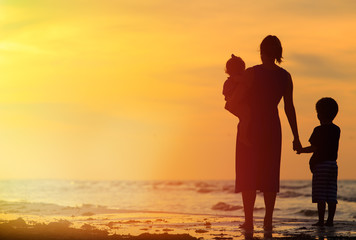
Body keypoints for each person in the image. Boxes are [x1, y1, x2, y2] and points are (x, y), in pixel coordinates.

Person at [233, 35, 301, 231]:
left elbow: (236, 100)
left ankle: (249, 221)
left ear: (261, 51)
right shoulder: (285, 76)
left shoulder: (251, 73)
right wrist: (296, 137)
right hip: (272, 127)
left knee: (248, 174)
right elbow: (289, 108)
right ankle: (268, 220)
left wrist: (243, 114)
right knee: (269, 174)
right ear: (279, 53)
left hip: (252, 126)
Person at [297, 97, 340, 227]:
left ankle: (321, 221)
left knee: (320, 194)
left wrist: (301, 150)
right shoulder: (337, 129)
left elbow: (314, 148)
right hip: (333, 165)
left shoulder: (318, 130)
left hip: (321, 166)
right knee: (331, 194)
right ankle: (330, 221)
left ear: (319, 114)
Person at [223, 54, 251, 145]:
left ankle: (243, 134)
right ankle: (243, 136)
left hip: (233, 102)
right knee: (246, 116)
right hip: (235, 102)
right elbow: (244, 81)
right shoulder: (236, 79)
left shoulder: (231, 79)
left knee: (244, 118)